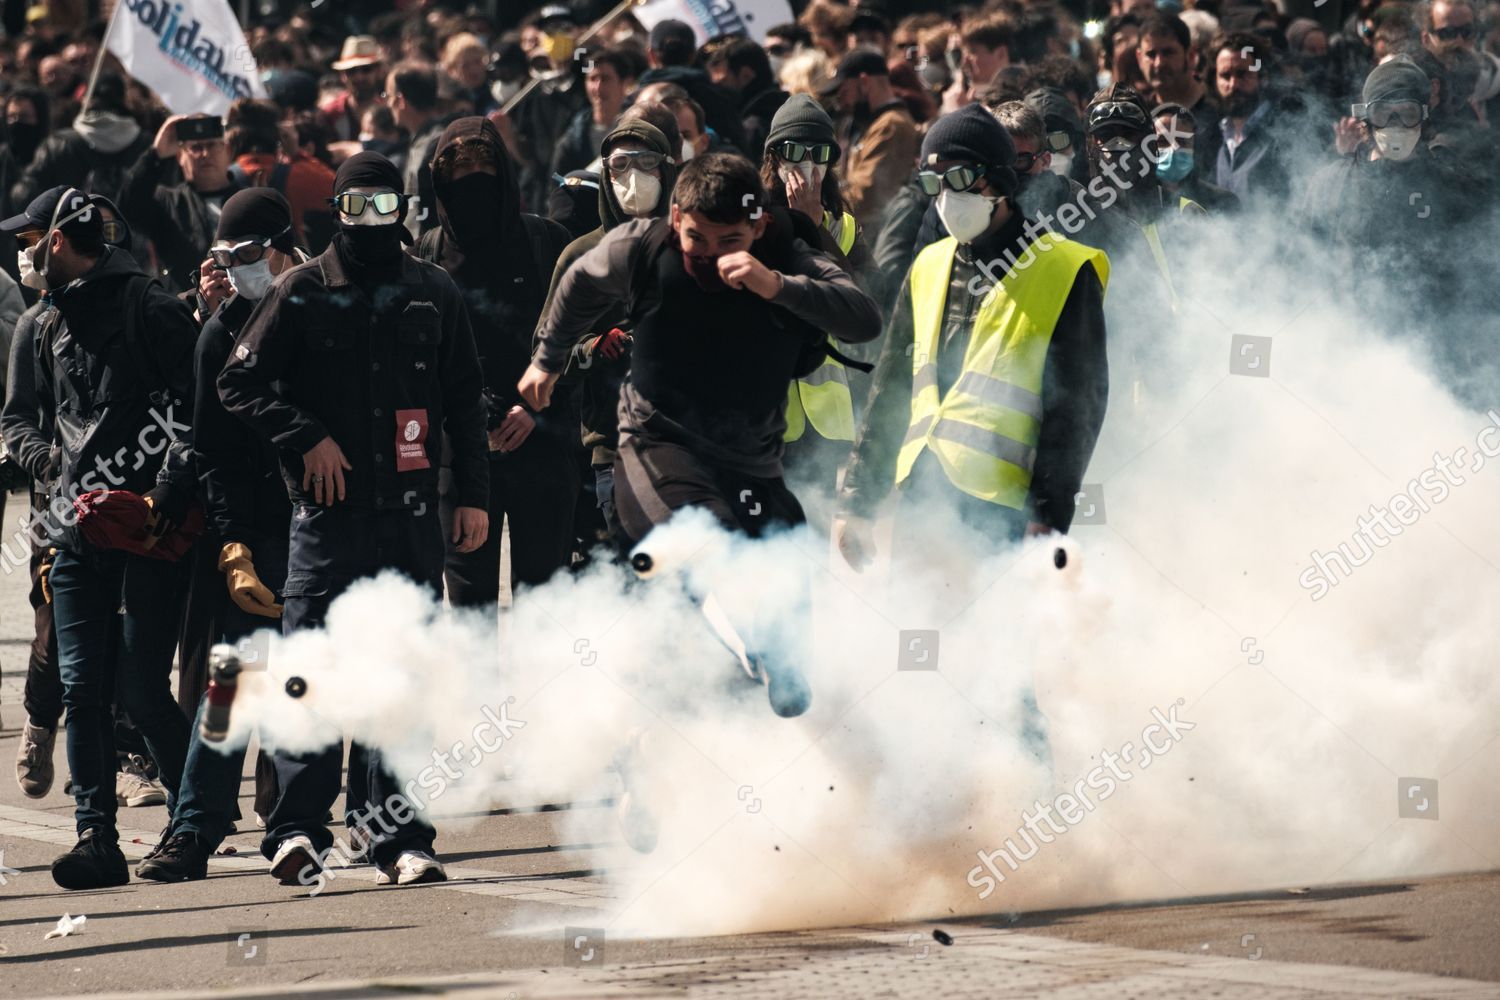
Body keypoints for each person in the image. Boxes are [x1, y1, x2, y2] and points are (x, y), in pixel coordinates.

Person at [521, 153, 880, 715]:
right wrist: (548, 358)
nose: (711, 257)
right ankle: (737, 658)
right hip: (655, 447)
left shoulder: (787, 251)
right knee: (709, 542)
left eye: (729, 240)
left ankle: (775, 667)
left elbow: (863, 317)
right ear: (675, 219)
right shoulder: (641, 247)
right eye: (697, 239)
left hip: (752, 460)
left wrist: (776, 285)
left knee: (788, 555)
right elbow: (577, 283)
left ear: (759, 225)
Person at [217, 152, 489, 888]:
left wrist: (472, 496)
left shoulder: (434, 291)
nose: (372, 222)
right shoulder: (299, 289)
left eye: (385, 207)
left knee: (399, 680)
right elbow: (238, 381)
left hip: (409, 521)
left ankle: (397, 837)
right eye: (357, 208)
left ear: (404, 209)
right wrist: (306, 435)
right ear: (335, 212)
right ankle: (297, 832)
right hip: (327, 521)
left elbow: (465, 400)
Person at [3, 186, 198, 889]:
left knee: (143, 687)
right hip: (71, 528)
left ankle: (192, 823)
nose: (21, 252)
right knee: (84, 690)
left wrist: (163, 493)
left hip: (151, 527)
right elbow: (18, 421)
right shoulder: (41, 323)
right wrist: (51, 467)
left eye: (28, 239)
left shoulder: (152, 307)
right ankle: (96, 840)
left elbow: (198, 410)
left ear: (57, 241)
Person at [835, 102, 1108, 597]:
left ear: (1000, 180)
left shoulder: (1066, 268)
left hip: (1006, 510)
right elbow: (891, 388)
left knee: (998, 659)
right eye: (932, 184)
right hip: (923, 495)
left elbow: (1078, 407)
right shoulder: (930, 265)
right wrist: (858, 500)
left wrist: (1049, 515)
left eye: (960, 179)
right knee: (920, 641)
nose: (945, 198)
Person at [136, 189, 306, 882]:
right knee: (230, 685)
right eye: (223, 257)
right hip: (252, 532)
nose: (235, 270)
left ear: (282, 245)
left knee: (309, 688)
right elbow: (209, 450)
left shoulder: (322, 309)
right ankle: (195, 828)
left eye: (247, 254)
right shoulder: (219, 333)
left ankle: (305, 827)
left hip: (323, 524)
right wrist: (236, 544)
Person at [417, 118, 575, 598]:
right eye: (461, 171)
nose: (475, 179)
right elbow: (419, 357)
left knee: (545, 606)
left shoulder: (547, 243)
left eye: (486, 165)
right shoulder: (426, 255)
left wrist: (535, 409)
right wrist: (470, 414)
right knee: (469, 608)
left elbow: (580, 343)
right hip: (459, 461)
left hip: (543, 452)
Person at [540, 115, 680, 545]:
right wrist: (594, 348)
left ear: (667, 171)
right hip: (615, 449)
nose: (634, 177)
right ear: (605, 175)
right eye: (620, 165)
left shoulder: (696, 246)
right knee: (633, 582)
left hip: (691, 446)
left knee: (687, 590)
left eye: (647, 163)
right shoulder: (581, 255)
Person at [760, 94, 884, 521]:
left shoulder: (843, 226)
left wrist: (815, 228)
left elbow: (863, 301)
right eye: (794, 152)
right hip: (769, 409)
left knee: (812, 531)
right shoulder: (753, 223)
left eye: (820, 154)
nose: (807, 165)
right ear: (773, 158)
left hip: (826, 415)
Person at [121, 114, 242, 294]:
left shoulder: (248, 200)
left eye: (212, 145)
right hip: (185, 311)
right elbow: (128, 207)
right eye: (195, 147)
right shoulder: (167, 202)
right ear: (180, 156)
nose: (205, 154)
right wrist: (156, 154)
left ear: (228, 151)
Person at [10, 73, 150, 210]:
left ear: (86, 99)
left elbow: (24, 195)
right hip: (127, 230)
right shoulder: (148, 144)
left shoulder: (57, 143)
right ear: (124, 100)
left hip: (70, 230)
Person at [823, 48, 920, 231]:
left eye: (842, 92)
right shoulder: (876, 124)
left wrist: (820, 209)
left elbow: (867, 196)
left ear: (864, 82)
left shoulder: (891, 126)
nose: (840, 103)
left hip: (880, 240)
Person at [225, 99, 336, 256]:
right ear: (278, 136)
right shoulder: (299, 175)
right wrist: (296, 153)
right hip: (287, 271)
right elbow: (339, 191)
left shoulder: (219, 178)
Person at [636, 19, 749, 155]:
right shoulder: (718, 98)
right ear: (693, 55)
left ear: (651, 55)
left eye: (686, 135)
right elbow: (740, 146)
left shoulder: (634, 102)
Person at [1207, 32, 1291, 204]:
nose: (1233, 84)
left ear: (1262, 77)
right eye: (1225, 75)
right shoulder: (1213, 135)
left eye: (1242, 74)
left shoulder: (1283, 132)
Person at [1135, 14, 1222, 171]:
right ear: (1139, 58)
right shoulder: (1139, 119)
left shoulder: (1220, 112)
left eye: (1168, 52)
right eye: (1151, 54)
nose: (1159, 63)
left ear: (1191, 55)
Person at [385, 61, 448, 241]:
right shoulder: (425, 141)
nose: (388, 103)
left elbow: (422, 214)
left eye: (388, 95)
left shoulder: (430, 148)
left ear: (401, 100)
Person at [553, 48, 632, 178]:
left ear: (625, 84)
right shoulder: (572, 140)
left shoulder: (637, 128)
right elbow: (557, 185)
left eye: (605, 79)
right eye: (592, 79)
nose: (598, 87)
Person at [708, 37, 791, 159]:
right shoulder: (787, 105)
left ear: (746, 75)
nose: (718, 89)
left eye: (723, 80)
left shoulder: (753, 128)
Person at [1151, 104, 1240, 213]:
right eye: (1162, 141)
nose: (1173, 148)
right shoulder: (1134, 200)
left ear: (1194, 147)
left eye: (1182, 141)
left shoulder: (1224, 202)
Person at [321, 35, 387, 142]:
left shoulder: (389, 109)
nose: (359, 77)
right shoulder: (330, 114)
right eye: (351, 71)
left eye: (366, 69)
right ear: (343, 75)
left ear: (378, 71)